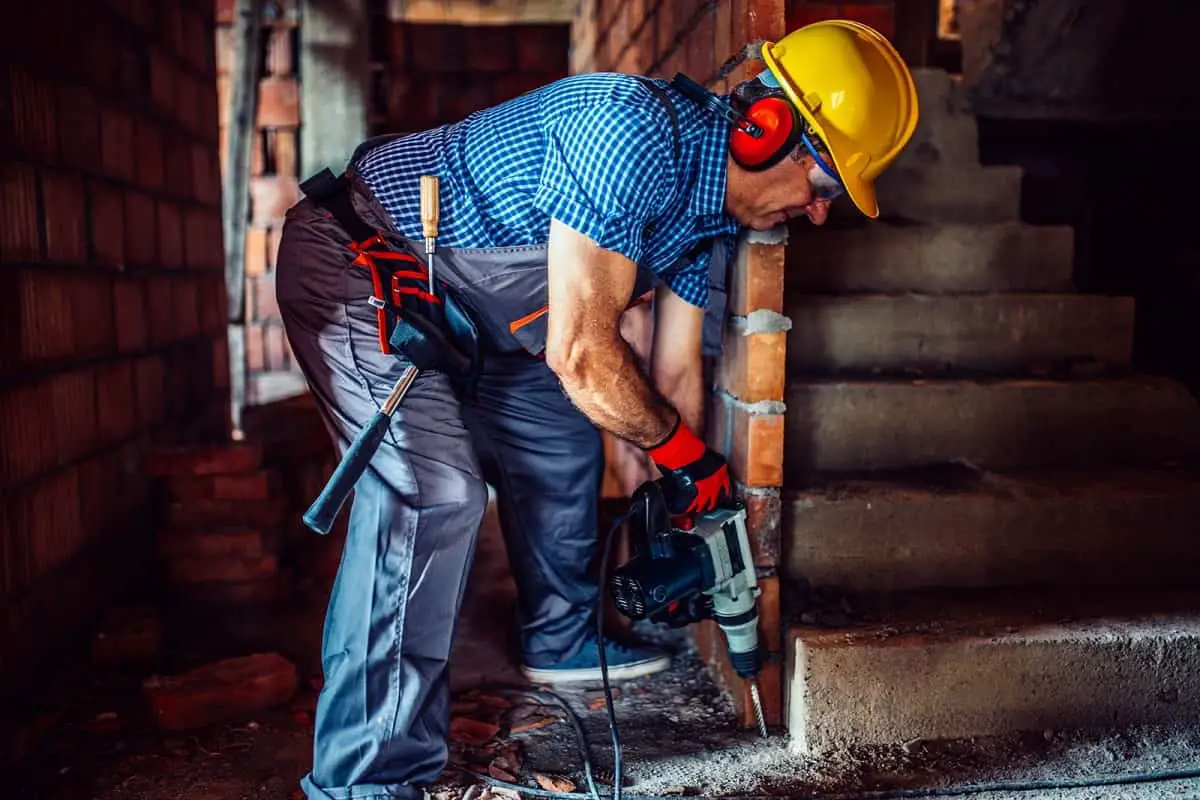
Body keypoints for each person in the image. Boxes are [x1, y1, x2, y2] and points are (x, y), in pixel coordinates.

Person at [276, 19, 918, 800]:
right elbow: (582, 353)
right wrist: (684, 456)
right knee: (432, 493)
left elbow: (672, 381)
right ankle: (364, 778)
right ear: (766, 130)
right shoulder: (626, 126)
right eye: (823, 187)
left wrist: (694, 498)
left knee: (563, 438)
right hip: (364, 264)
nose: (819, 214)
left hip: (485, 324)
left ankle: (560, 639)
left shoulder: (708, 221)